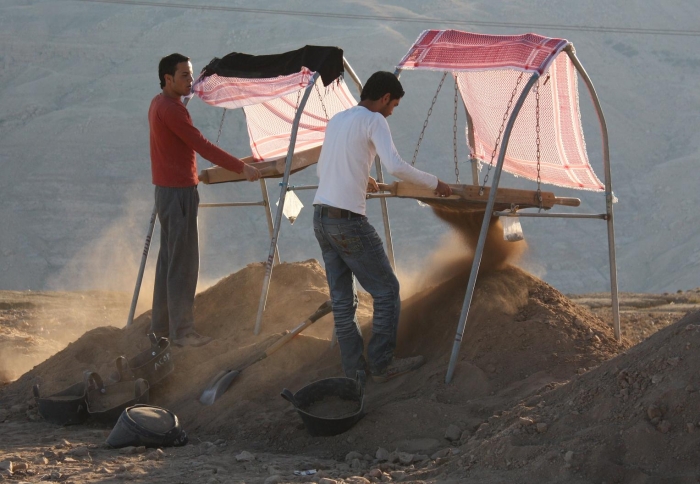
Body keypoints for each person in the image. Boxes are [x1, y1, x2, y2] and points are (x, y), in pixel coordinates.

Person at [313, 71, 452, 382]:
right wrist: (435, 184)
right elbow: (395, 165)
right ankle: (382, 364)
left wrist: (363, 178)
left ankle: (353, 369)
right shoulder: (375, 120)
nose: (392, 112)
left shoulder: (339, 119)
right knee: (387, 291)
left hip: (321, 217)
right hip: (348, 222)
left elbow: (325, 167)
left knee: (342, 300)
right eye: (394, 105)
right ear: (385, 97)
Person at [149, 53, 260, 347]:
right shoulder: (173, 110)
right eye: (184, 75)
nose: (190, 80)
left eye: (191, 74)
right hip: (179, 193)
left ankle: (160, 328)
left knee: (169, 262)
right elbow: (202, 145)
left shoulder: (158, 104)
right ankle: (182, 333)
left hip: (166, 191)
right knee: (183, 264)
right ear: (167, 79)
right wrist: (242, 167)